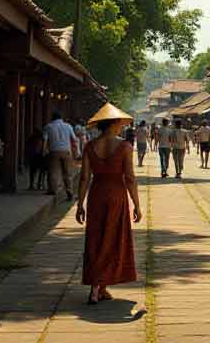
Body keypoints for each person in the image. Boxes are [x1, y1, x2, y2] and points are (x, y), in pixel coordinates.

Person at [76, 103, 140, 305]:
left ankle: (100, 287)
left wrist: (80, 204)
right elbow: (129, 177)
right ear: (113, 124)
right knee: (112, 238)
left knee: (96, 238)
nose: (121, 126)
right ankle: (97, 287)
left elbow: (84, 178)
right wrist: (137, 204)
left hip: (96, 195)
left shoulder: (89, 146)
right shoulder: (124, 147)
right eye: (119, 123)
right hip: (116, 195)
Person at [43, 111, 79, 200]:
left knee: (53, 171)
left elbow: (45, 140)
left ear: (52, 118)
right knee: (67, 173)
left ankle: (53, 190)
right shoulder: (68, 126)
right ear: (61, 117)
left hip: (53, 151)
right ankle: (69, 191)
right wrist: (76, 151)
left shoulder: (48, 126)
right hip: (66, 151)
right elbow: (74, 139)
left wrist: (44, 150)